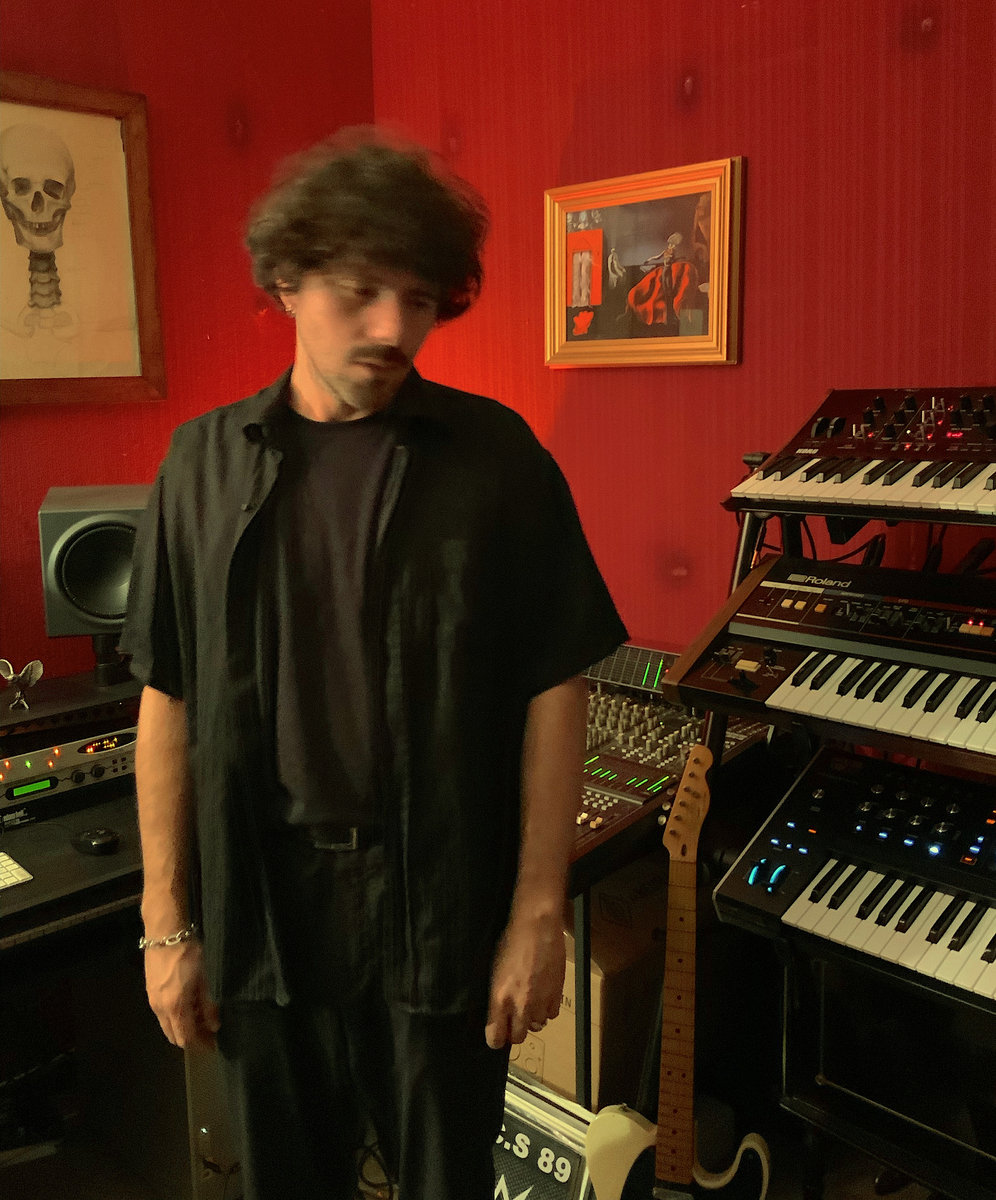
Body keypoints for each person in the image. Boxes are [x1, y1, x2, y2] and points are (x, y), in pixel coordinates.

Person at [120, 127, 627, 1200]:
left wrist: (539, 911)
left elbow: (556, 681)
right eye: (361, 292)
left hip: (441, 899)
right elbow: (168, 693)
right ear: (288, 281)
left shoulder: (499, 459)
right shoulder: (198, 465)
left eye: (421, 298)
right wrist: (166, 924)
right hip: (265, 904)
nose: (395, 327)